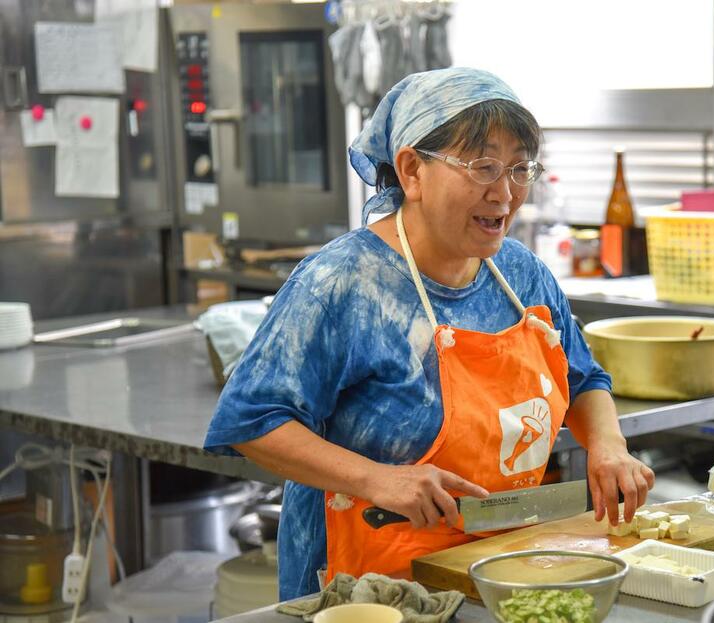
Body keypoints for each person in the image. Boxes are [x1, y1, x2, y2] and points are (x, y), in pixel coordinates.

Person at [204, 67, 654, 600]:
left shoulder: (521, 273)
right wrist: (379, 480)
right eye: (484, 166)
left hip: (497, 569)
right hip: (363, 588)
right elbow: (253, 421)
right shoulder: (343, 282)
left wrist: (608, 446)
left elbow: (583, 379)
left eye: (520, 168)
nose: (506, 193)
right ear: (412, 170)